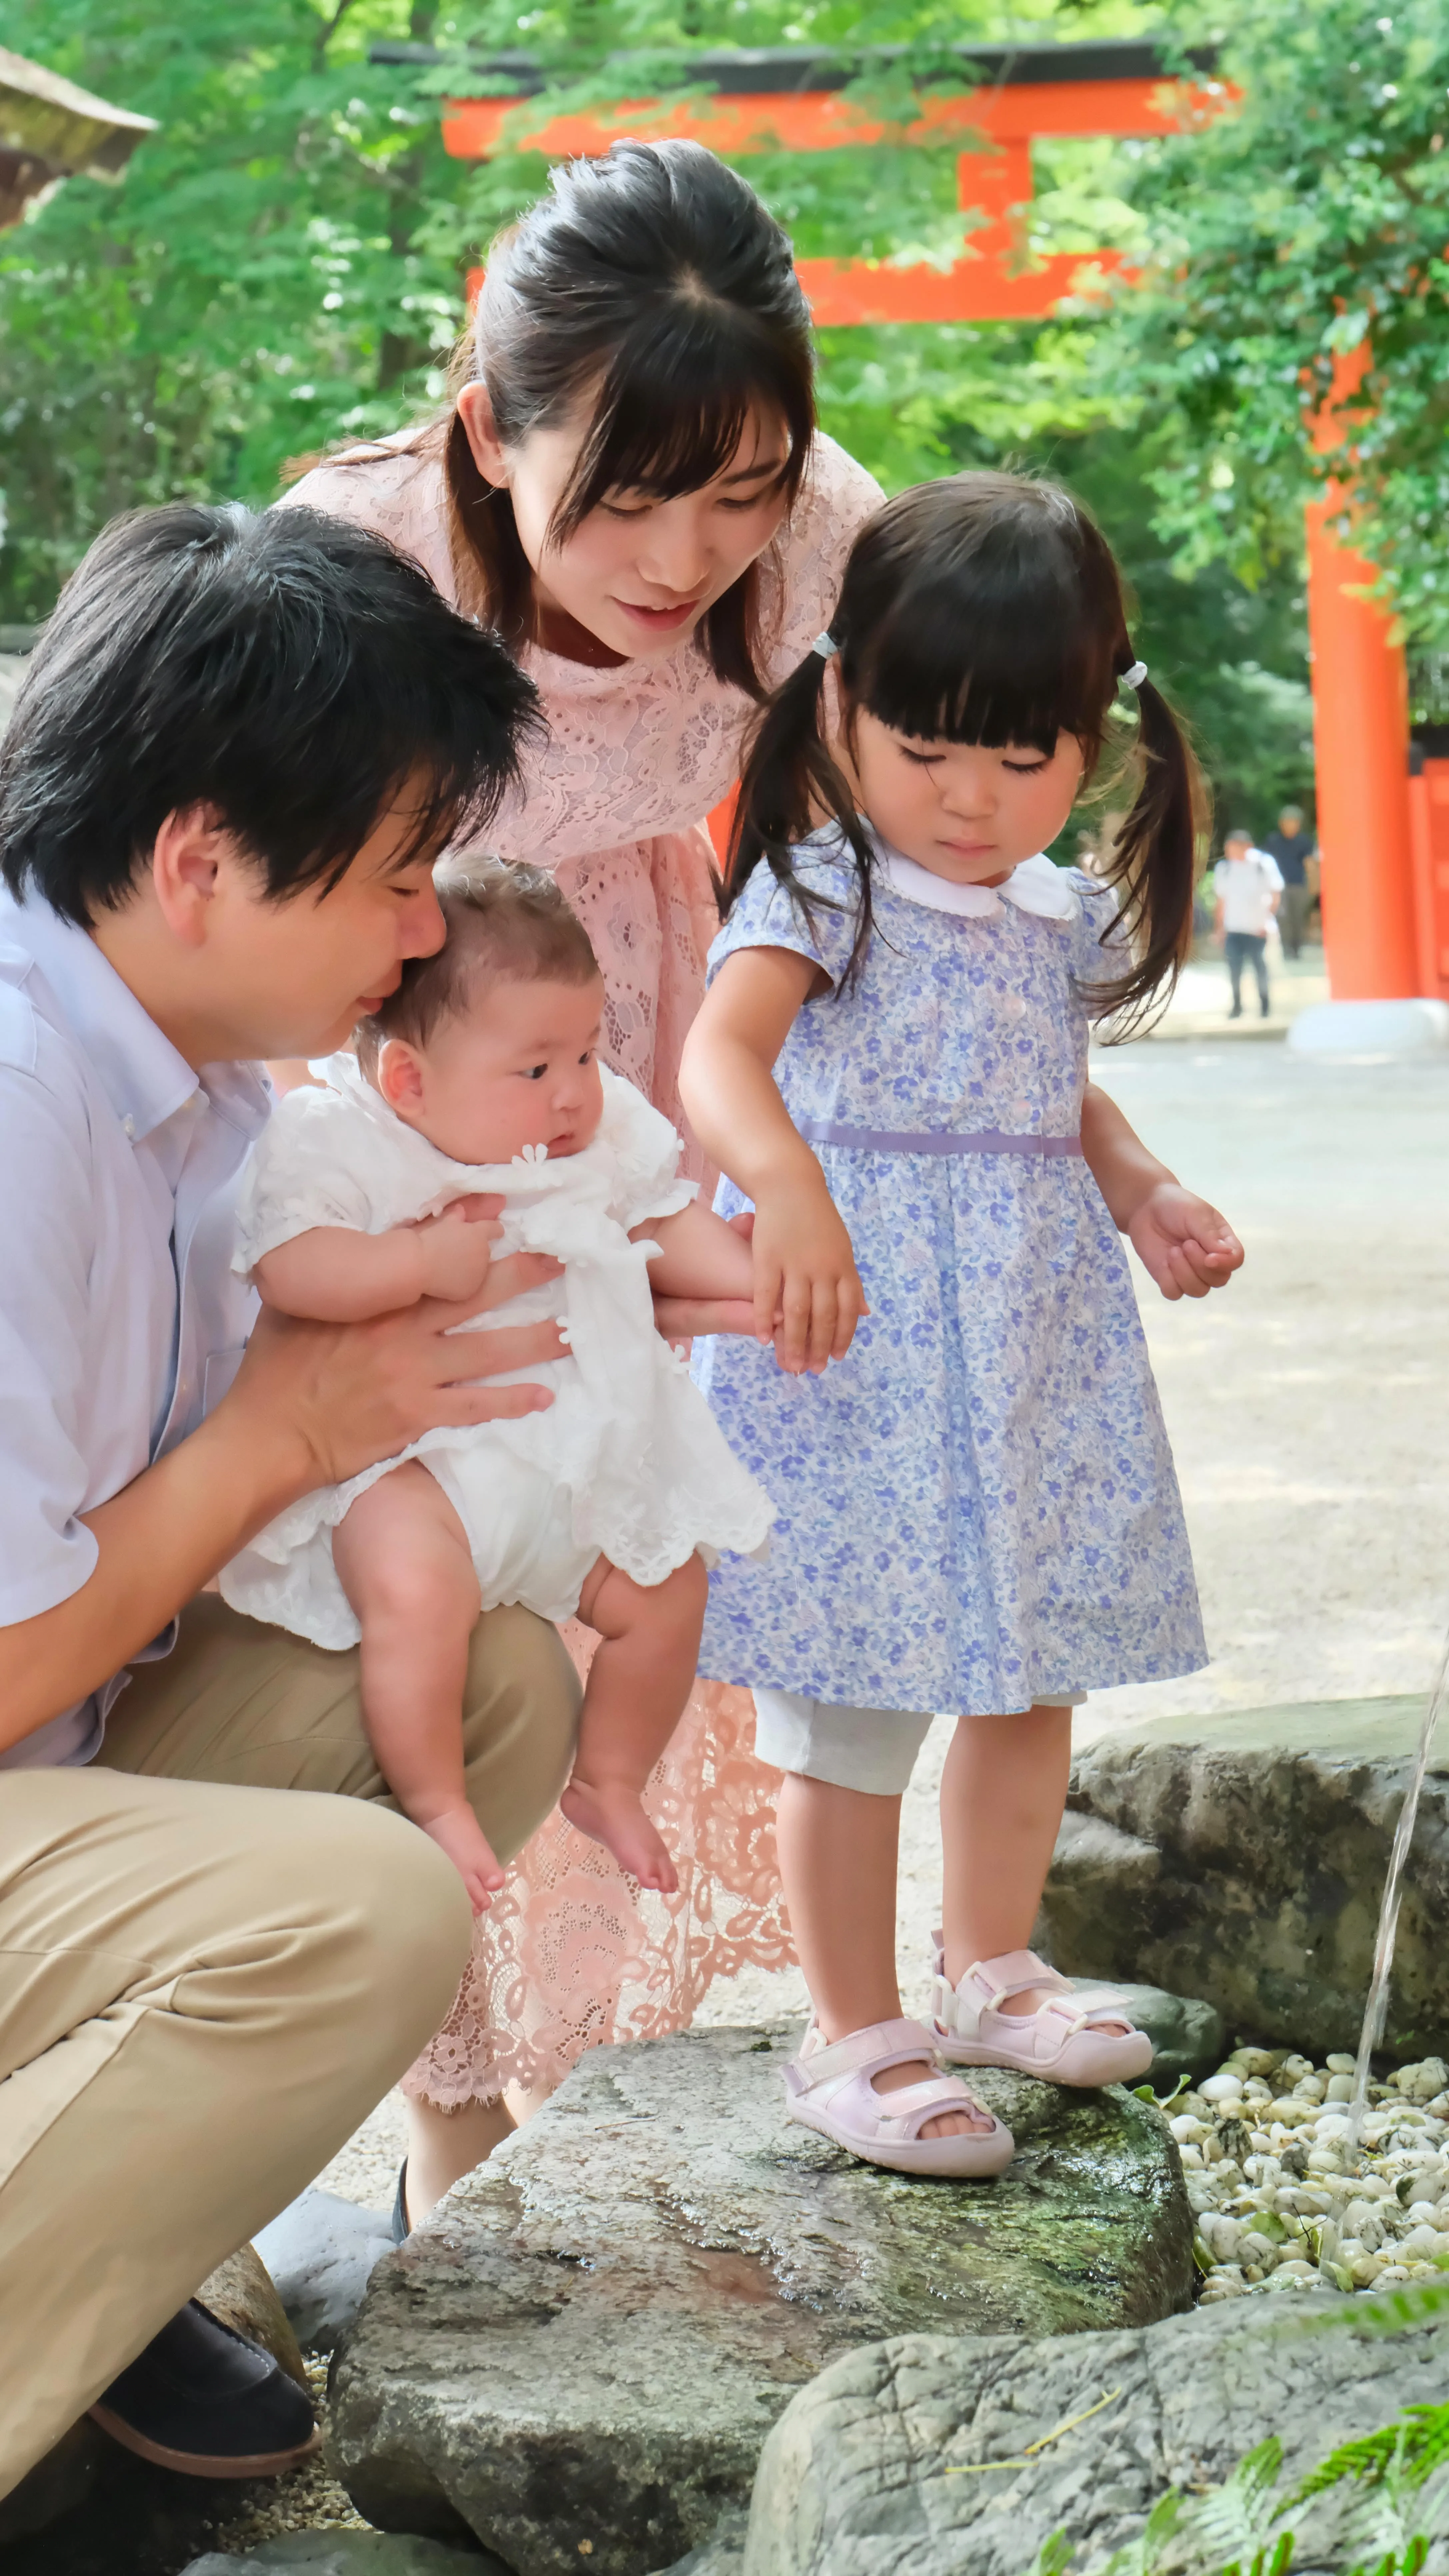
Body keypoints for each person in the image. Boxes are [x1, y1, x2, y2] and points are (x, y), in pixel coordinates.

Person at [281, 133, 886, 2217]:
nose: (685, 549)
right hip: (410, 1031)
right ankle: (443, 2120)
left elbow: (866, 838)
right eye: (627, 490)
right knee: (441, 1526)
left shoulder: (814, 539)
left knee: (627, 1527)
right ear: (488, 428)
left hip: (637, 1024)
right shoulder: (361, 557)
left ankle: (593, 2071)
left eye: (735, 487)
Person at [0, 501, 586, 2498]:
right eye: (400, 877)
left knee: (488, 1672)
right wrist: (280, 1432)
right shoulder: (16, 1101)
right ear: (194, 861)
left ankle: (98, 2237)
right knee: (362, 1914)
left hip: (50, 1751)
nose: (429, 931)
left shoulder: (200, 1065)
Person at [680, 473, 1245, 2174]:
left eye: (1023, 756)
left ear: (1094, 737)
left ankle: (989, 1966)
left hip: (1024, 1355)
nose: (972, 798)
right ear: (838, 697)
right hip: (849, 1338)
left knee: (1028, 1675)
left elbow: (1057, 1100)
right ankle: (849, 2029)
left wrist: (1142, 1193)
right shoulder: (820, 885)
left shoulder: (1052, 915)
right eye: (927, 750)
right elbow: (716, 1061)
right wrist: (782, 1185)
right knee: (850, 1708)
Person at [220, 860, 772, 1908]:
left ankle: (609, 1778)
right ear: (409, 1082)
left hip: (570, 1467)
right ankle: (435, 1796)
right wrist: (415, 1267)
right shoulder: (344, 1138)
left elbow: (661, 1215)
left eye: (586, 1048)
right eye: (534, 1067)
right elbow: (290, 1263)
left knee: (670, 1590)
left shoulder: (593, 1124)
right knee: (418, 1597)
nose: (573, 1088)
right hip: (417, 1470)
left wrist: (757, 1277)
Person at [1214, 826, 1283, 1018]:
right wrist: (1220, 928)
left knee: (1261, 968)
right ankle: (1237, 1006)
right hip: (1234, 928)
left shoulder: (1263, 864)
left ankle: (1265, 1005)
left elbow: (1275, 894)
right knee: (1234, 970)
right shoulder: (1225, 868)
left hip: (1258, 929)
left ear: (1246, 847)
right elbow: (1222, 901)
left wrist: (1266, 920)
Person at [1261, 803, 1317, 958]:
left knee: (1298, 918)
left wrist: (1313, 886)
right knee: (1283, 918)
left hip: (1299, 885)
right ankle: (1286, 950)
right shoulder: (1273, 841)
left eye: (1294, 822)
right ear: (1282, 823)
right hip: (1279, 887)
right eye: (1288, 821)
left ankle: (1297, 948)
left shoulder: (1305, 841)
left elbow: (1310, 864)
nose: (1291, 825)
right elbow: (1266, 863)